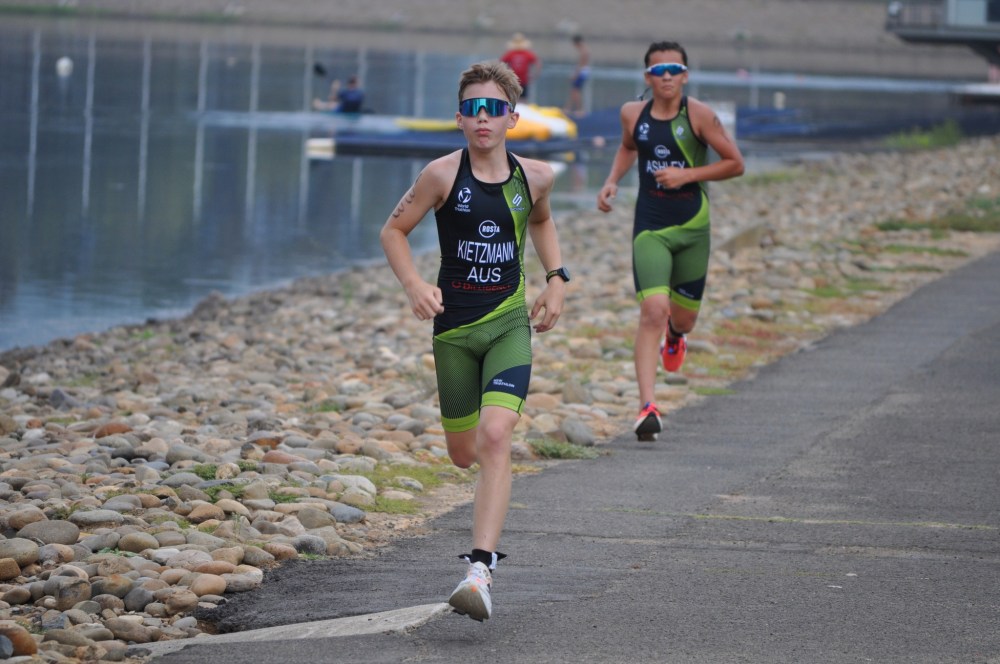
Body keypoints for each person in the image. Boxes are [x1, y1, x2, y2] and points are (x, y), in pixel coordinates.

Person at [380, 60, 568, 621]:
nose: (483, 118)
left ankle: (480, 570)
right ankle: (479, 557)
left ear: (513, 118)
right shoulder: (440, 176)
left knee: (495, 434)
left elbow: (541, 222)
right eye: (472, 108)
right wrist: (414, 284)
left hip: (509, 322)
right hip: (455, 333)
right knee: (464, 455)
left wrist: (556, 279)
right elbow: (393, 231)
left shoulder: (535, 177)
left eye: (493, 109)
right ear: (459, 118)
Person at [596, 41, 744, 441]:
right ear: (647, 77)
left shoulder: (700, 115)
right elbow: (628, 147)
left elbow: (735, 163)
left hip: (693, 227)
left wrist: (687, 175)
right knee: (653, 311)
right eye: (658, 71)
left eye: (674, 70)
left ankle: (676, 338)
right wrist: (612, 181)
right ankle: (648, 406)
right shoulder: (632, 114)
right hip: (651, 226)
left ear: (685, 76)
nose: (666, 77)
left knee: (682, 319)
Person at [500, 33, 540, 101]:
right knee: (514, 97)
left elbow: (537, 63)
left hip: (523, 80)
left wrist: (534, 75)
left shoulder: (527, 54)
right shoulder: (511, 53)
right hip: (513, 80)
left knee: (521, 98)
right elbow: (502, 63)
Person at [565, 34, 590, 116]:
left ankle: (579, 109)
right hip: (583, 72)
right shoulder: (584, 50)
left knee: (576, 91)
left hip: (581, 73)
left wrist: (575, 75)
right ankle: (568, 108)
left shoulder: (583, 51)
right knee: (574, 91)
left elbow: (581, 65)